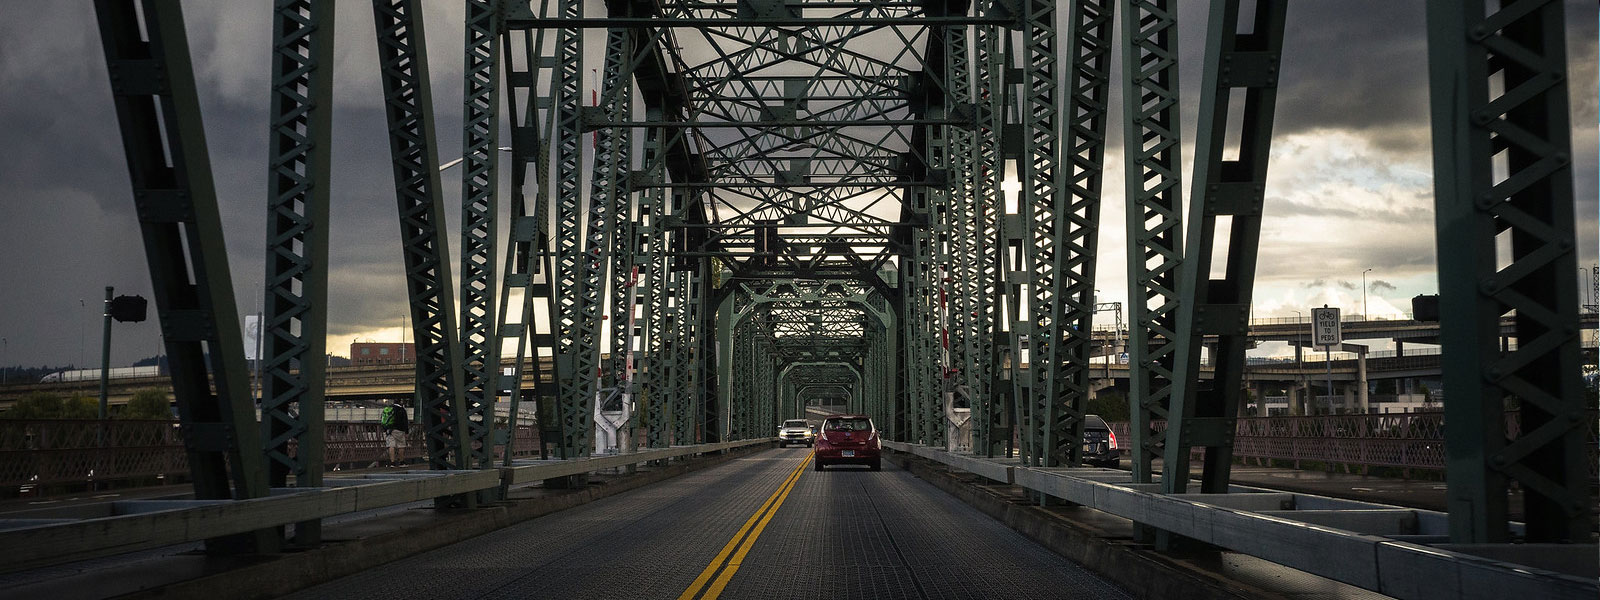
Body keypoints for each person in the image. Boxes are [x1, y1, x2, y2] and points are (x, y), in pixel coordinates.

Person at [380, 400, 410, 467]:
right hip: (399, 430)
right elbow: (405, 422)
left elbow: (382, 419)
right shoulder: (401, 409)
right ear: (400, 403)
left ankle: (392, 463)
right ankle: (401, 462)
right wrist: (406, 432)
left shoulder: (388, 409)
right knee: (401, 445)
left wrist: (385, 429)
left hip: (389, 430)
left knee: (391, 446)